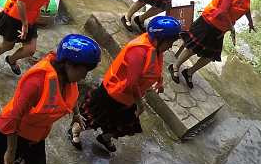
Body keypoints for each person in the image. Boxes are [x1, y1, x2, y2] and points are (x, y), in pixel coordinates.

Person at [0, 34, 100, 164]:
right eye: (83, 71)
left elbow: (71, 95)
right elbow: (14, 116)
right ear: (69, 64)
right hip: (11, 130)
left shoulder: (68, 78)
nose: (84, 77)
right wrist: (11, 150)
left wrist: (75, 114)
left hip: (35, 134)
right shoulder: (36, 81)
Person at [70, 17, 180, 153]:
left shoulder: (157, 48)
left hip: (130, 97)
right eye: (170, 42)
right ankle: (74, 131)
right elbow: (131, 84)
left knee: (125, 124)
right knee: (91, 117)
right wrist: (140, 103)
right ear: (159, 38)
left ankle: (105, 137)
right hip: (113, 93)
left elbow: (156, 65)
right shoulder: (138, 51)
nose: (170, 46)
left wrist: (160, 82)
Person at [169, 0, 261, 88]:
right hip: (209, 22)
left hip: (221, 28)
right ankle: (175, 66)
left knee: (210, 56)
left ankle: (189, 72)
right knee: (193, 47)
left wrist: (250, 22)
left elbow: (245, 7)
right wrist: (231, 27)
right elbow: (223, 10)